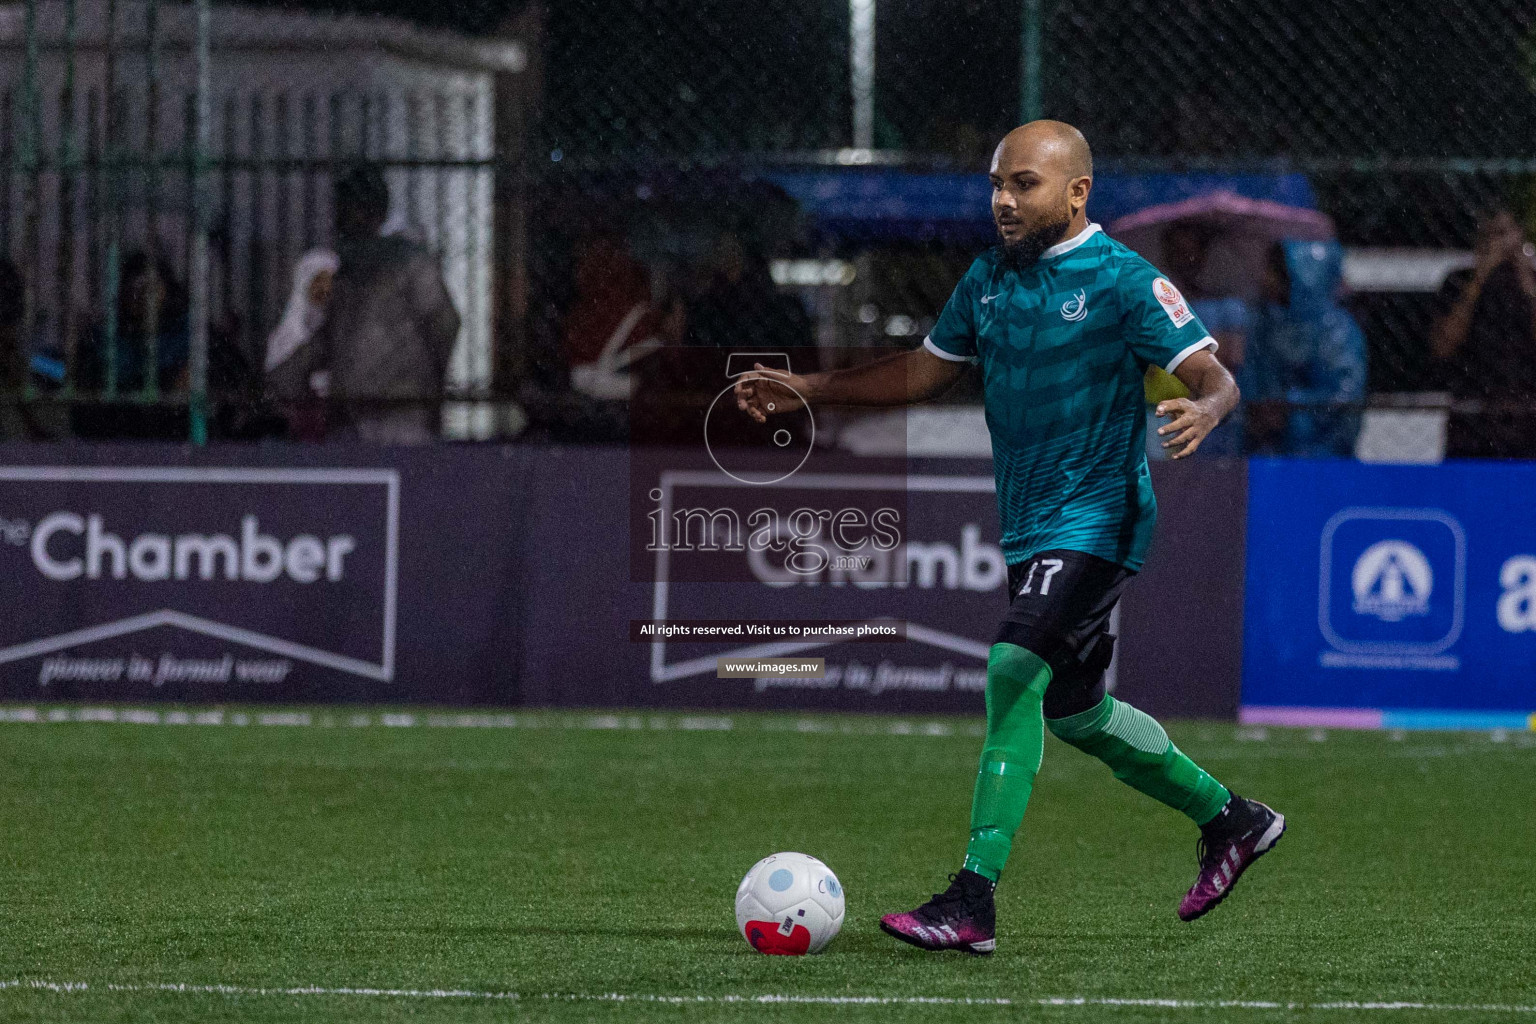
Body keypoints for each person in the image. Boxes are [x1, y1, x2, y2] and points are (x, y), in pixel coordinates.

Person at [734, 121, 1284, 954]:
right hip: (1034, 526)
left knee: (1011, 668)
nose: (1001, 200)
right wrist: (811, 386)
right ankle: (1233, 820)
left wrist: (1205, 407)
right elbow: (924, 369)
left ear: (1076, 193)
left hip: (1099, 516)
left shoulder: (1126, 281)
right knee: (1077, 713)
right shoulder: (988, 279)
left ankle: (972, 900)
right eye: (996, 183)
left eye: (1023, 184)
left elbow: (1215, 375)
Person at [308, 166, 460, 443]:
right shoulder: (345, 271)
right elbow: (328, 340)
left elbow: (444, 323)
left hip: (400, 417)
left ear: (370, 210)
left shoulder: (409, 262)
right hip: (350, 418)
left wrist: (428, 386)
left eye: (347, 208)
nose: (339, 219)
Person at [1429, 207, 1536, 458]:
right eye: (1491, 235)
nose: (1499, 243)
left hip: (1526, 411)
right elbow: (1444, 345)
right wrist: (1479, 278)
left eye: (1504, 234)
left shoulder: (1530, 279)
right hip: (1471, 413)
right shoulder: (1458, 280)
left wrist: (1525, 277)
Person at [1244, 240, 1366, 458]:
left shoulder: (1338, 332)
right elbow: (1255, 381)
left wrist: (1290, 408)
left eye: (1274, 271)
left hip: (1326, 456)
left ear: (1302, 278)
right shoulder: (1265, 324)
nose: (1265, 279)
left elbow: (1345, 397)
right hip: (1269, 453)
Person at [1150, 221, 1252, 457]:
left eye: (1188, 252)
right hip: (1163, 415)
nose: (1182, 260)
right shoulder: (1152, 308)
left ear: (1203, 253)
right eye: (1174, 252)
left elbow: (1232, 362)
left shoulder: (1229, 308)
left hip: (1217, 418)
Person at [264, 249, 340, 440]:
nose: (326, 289)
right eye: (319, 280)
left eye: (331, 281)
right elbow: (280, 388)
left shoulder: (345, 331)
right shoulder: (284, 338)